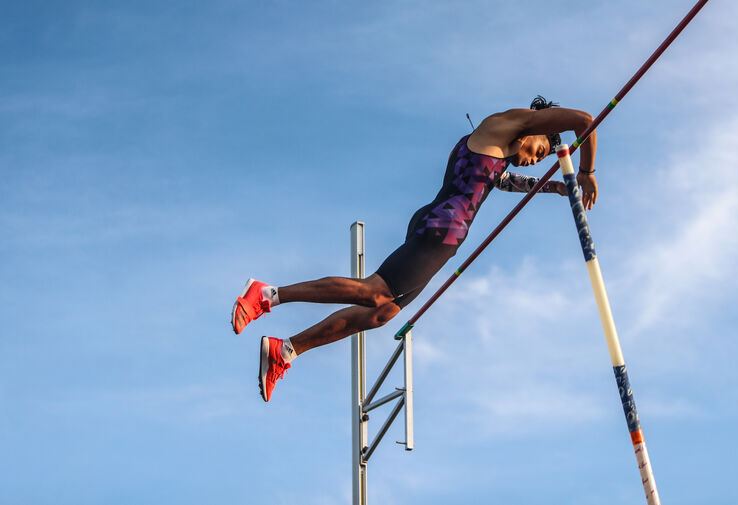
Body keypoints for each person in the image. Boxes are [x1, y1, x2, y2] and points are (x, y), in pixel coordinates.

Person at [232, 96, 598, 402]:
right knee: (373, 294)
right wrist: (587, 171)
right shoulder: (507, 123)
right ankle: (266, 295)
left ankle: (286, 349)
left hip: (443, 232)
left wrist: (555, 188)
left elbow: (501, 181)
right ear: (536, 130)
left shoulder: (498, 152)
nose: (537, 159)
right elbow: (584, 120)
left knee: (382, 313)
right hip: (440, 229)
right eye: (542, 151)